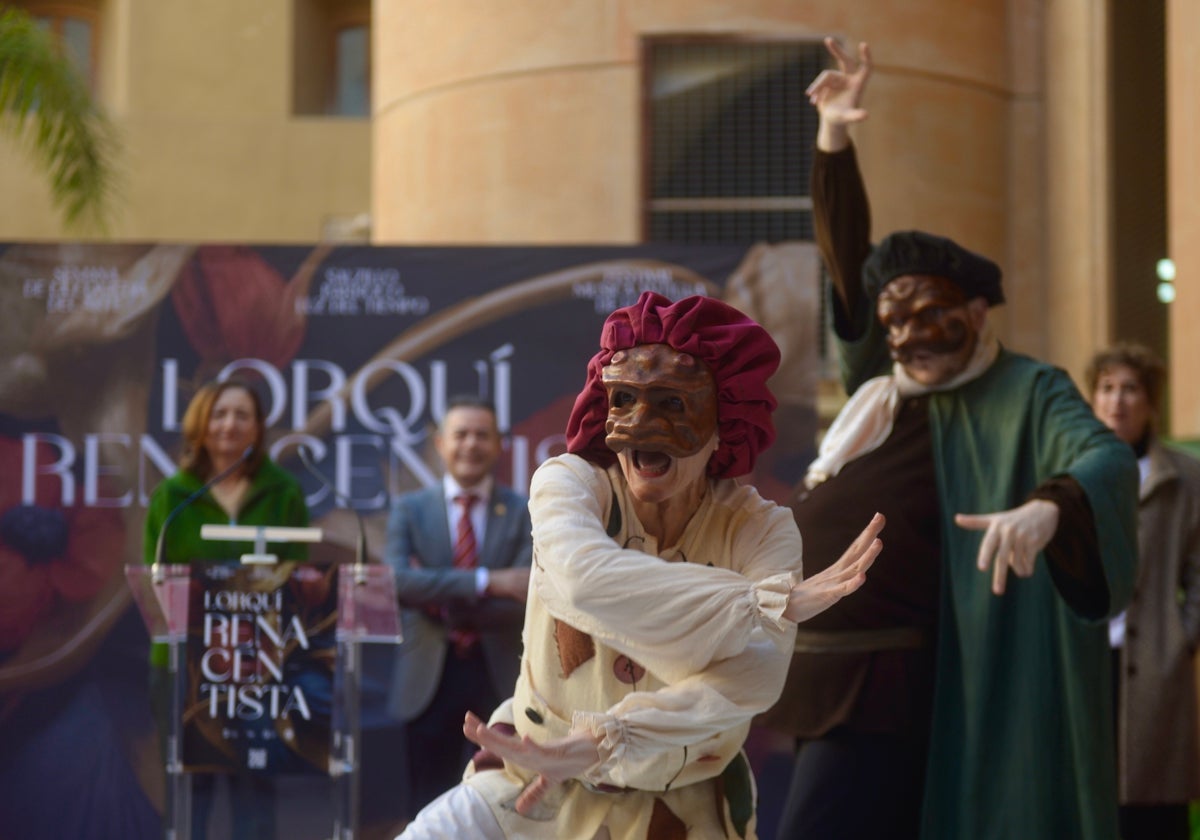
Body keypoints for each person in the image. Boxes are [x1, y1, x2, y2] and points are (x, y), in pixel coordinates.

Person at [762, 38, 1139, 840]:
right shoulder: (879, 381)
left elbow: (1101, 454)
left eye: (930, 315)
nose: (907, 336)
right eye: (895, 320)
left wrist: (1051, 507)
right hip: (824, 674)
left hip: (923, 683)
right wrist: (833, 136)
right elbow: (845, 267)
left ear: (975, 314)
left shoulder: (1027, 388)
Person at [397, 291, 885, 840]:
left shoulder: (761, 528)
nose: (642, 426)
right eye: (624, 399)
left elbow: (750, 680)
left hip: (677, 814)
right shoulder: (568, 482)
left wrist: (605, 740)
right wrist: (754, 604)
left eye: (674, 405)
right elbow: (583, 578)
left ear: (724, 423)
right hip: (529, 784)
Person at [143, 377, 310, 840]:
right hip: (185, 664)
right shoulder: (173, 498)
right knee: (189, 791)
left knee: (254, 793)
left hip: (261, 666)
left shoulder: (283, 494)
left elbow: (299, 579)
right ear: (200, 425)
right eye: (219, 413)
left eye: (242, 414)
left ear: (258, 428)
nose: (230, 424)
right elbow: (156, 579)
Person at [383, 395, 533, 821]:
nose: (471, 444)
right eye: (461, 434)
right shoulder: (410, 510)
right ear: (440, 443)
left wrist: (435, 598)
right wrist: (490, 582)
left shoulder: (525, 511)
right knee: (427, 807)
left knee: (504, 803)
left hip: (501, 678)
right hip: (427, 679)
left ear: (499, 444)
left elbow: (528, 597)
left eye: (482, 435)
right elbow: (395, 583)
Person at [1086, 342, 1200, 840]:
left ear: (1151, 402)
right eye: (1106, 388)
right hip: (1081, 660)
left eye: (1131, 389)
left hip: (1155, 665)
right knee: (1087, 799)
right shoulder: (1069, 476)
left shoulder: (1184, 477)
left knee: (1153, 811)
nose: (1117, 401)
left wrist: (1182, 638)